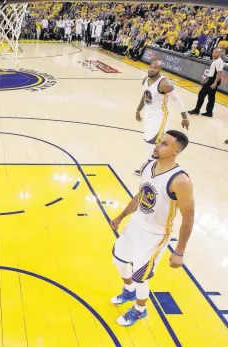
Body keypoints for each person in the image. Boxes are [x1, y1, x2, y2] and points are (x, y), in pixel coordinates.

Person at [110, 130, 194, 326]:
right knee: (119, 261)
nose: (157, 145)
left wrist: (179, 252)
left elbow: (188, 217)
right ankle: (129, 291)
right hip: (135, 226)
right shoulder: (148, 166)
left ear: (176, 151)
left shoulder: (180, 181)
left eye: (164, 144)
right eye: (158, 141)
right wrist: (121, 216)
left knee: (141, 276)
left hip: (155, 236)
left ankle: (140, 310)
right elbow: (140, 196)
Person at [135, 60, 189, 175]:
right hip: (149, 114)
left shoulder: (164, 84)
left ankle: (151, 169)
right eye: (150, 67)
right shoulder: (145, 80)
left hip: (161, 116)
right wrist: (138, 109)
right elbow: (145, 96)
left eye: (154, 68)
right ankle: (151, 167)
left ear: (160, 70)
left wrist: (184, 117)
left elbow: (177, 99)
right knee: (147, 141)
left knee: (154, 142)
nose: (151, 69)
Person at [188, 48, 225, 117]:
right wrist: (206, 79)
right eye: (213, 52)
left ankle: (197, 110)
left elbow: (218, 73)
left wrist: (215, 83)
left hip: (213, 80)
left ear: (219, 54)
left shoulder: (219, 61)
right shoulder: (215, 61)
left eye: (216, 52)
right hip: (211, 79)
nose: (213, 54)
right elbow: (212, 72)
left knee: (202, 94)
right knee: (211, 97)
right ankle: (209, 112)